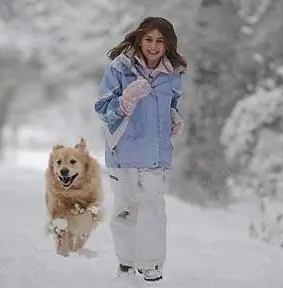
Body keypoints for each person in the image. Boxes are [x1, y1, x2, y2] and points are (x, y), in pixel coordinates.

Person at [93, 16, 187, 283]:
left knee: (154, 210)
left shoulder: (174, 73)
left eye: (160, 41)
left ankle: (151, 265)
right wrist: (126, 99)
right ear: (138, 39)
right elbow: (102, 110)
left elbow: (173, 103)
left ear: (168, 44)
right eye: (149, 39)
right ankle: (126, 262)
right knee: (125, 210)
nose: (154, 46)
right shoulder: (119, 69)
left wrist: (173, 116)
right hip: (124, 152)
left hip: (156, 155)